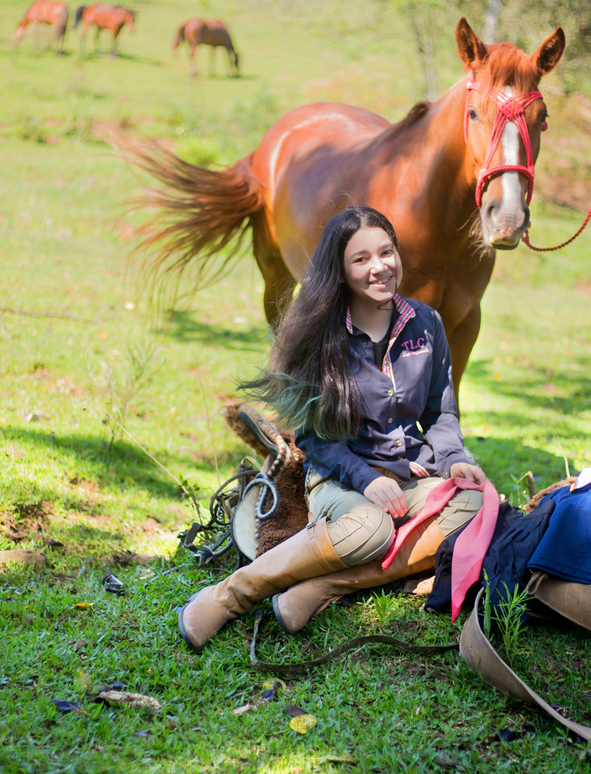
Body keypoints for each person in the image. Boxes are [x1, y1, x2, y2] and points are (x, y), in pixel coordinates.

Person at [178, 205, 488, 651]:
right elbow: (310, 437)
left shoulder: (427, 324)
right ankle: (231, 595)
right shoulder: (321, 335)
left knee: (476, 503)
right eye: (361, 259)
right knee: (371, 529)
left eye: (387, 252)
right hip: (339, 476)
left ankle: (323, 587)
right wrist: (366, 479)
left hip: (411, 475)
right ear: (340, 272)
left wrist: (455, 459)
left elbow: (439, 413)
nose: (380, 267)